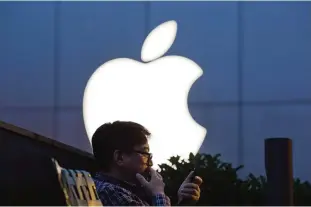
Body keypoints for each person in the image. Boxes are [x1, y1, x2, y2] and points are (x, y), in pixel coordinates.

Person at [92, 121, 203, 206]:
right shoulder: (110, 192)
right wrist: (158, 194)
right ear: (120, 157)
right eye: (145, 153)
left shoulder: (129, 191)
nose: (150, 162)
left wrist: (183, 202)